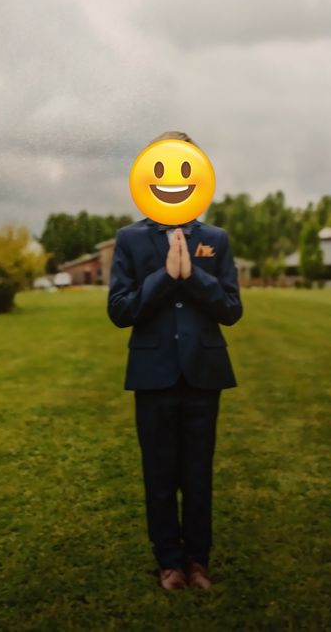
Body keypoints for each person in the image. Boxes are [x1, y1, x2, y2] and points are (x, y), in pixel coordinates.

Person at [107, 131, 243, 590]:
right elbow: (120, 310)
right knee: (160, 473)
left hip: (204, 374)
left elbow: (231, 309)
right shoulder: (128, 240)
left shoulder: (216, 239)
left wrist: (194, 276)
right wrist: (165, 278)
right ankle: (169, 562)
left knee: (198, 473)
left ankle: (198, 560)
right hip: (153, 376)